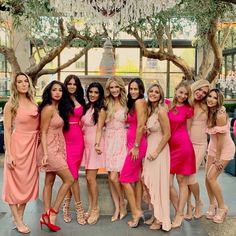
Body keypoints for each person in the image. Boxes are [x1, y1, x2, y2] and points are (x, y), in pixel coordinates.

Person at [2, 73, 39, 234]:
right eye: (20, 82)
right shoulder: (11, 104)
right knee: (13, 183)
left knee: (28, 183)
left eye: (26, 81)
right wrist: (8, 153)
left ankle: (19, 216)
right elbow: (8, 131)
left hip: (32, 146)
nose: (23, 84)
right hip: (18, 145)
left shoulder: (33, 101)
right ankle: (17, 220)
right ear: (15, 85)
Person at [37, 80, 74, 232]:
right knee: (69, 179)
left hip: (57, 147)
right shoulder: (48, 108)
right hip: (50, 149)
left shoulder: (58, 108)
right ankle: (54, 211)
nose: (58, 92)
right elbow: (43, 132)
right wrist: (45, 153)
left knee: (49, 181)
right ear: (49, 92)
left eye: (60, 90)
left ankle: (45, 214)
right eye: (54, 90)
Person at [95, 77, 127, 222]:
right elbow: (99, 127)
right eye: (111, 88)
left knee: (116, 177)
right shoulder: (105, 105)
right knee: (111, 177)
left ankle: (122, 204)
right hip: (109, 142)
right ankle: (118, 207)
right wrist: (97, 144)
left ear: (121, 88)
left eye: (116, 87)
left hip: (122, 141)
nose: (114, 90)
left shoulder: (127, 104)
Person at [142, 83, 171, 231]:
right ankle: (154, 214)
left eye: (157, 92)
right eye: (151, 91)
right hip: (150, 147)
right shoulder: (151, 111)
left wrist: (156, 152)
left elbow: (167, 134)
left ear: (161, 95)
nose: (153, 94)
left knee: (157, 183)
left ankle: (160, 219)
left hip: (159, 150)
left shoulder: (161, 111)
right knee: (148, 182)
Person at [119, 78, 148, 228]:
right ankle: (139, 209)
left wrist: (136, 146)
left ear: (141, 90)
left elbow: (141, 125)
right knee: (136, 178)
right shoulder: (136, 103)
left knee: (124, 178)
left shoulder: (139, 102)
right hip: (133, 142)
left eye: (136, 89)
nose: (133, 92)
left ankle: (136, 211)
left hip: (137, 144)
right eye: (131, 89)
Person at [168, 81, 196, 228]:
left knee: (181, 181)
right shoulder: (167, 105)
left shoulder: (188, 109)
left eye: (186, 94)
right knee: (167, 184)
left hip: (183, 147)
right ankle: (179, 209)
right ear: (176, 90)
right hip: (168, 148)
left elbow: (189, 131)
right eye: (181, 92)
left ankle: (179, 214)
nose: (183, 96)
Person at [205, 88, 235, 224]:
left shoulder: (220, 115)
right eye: (209, 96)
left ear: (219, 100)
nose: (211, 99)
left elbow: (222, 140)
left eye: (215, 98)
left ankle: (222, 207)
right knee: (207, 178)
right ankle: (212, 204)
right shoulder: (210, 111)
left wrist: (217, 158)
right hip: (213, 148)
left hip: (224, 149)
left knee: (211, 178)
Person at [62, 75, 86, 225]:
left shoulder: (81, 101)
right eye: (69, 84)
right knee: (73, 177)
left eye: (74, 84)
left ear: (77, 86)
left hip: (79, 141)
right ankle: (78, 209)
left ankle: (65, 207)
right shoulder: (62, 100)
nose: (71, 86)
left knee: (73, 175)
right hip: (65, 139)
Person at [185, 79, 210, 220]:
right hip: (186, 144)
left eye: (204, 93)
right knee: (184, 178)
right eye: (200, 90)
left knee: (191, 177)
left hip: (200, 145)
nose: (201, 94)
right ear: (195, 87)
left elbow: (218, 109)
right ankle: (189, 206)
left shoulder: (206, 105)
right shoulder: (185, 102)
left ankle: (198, 202)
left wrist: (223, 109)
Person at [81, 82, 105, 225]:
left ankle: (95, 208)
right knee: (88, 179)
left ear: (100, 94)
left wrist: (96, 144)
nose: (93, 95)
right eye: (91, 92)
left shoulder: (101, 109)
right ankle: (91, 207)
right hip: (85, 145)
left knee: (91, 178)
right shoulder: (87, 107)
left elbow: (100, 129)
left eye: (96, 92)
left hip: (95, 146)